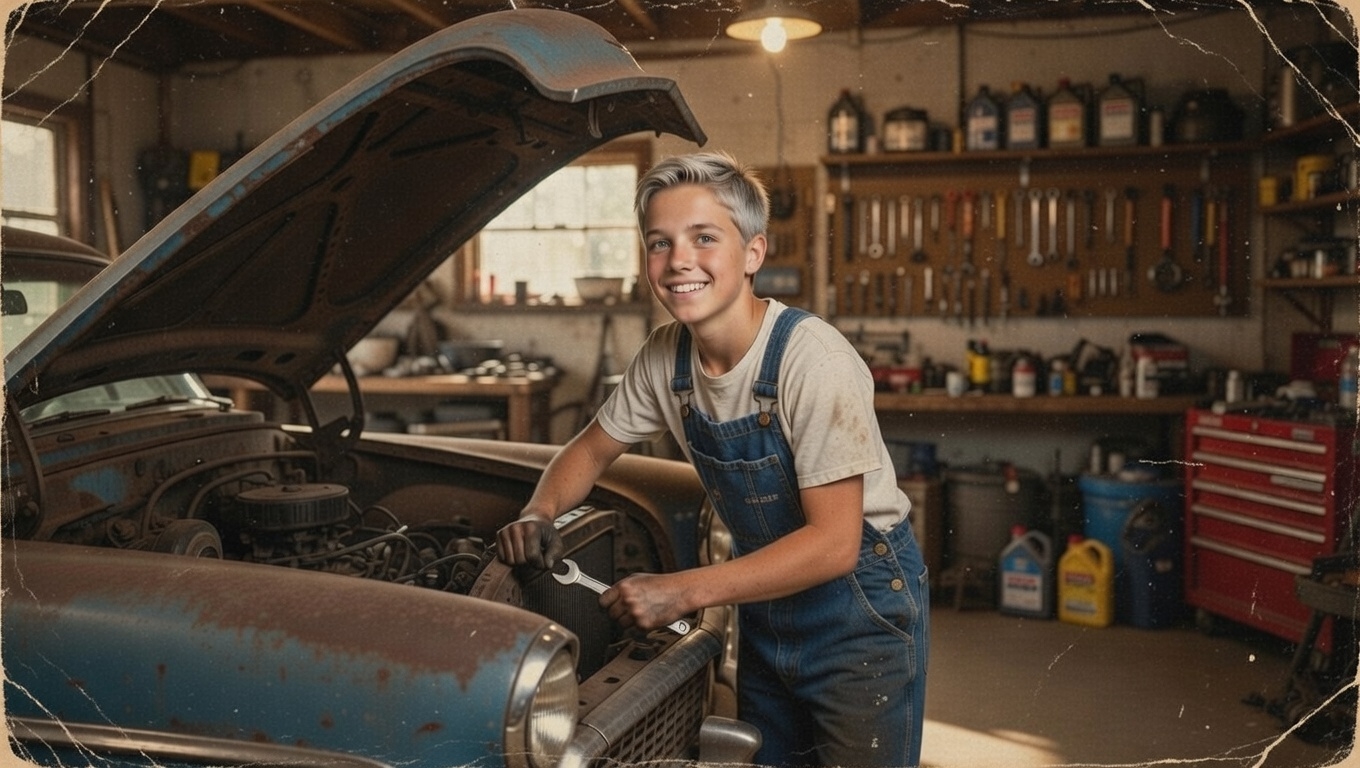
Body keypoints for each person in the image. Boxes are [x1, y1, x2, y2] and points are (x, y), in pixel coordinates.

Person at [496, 151, 928, 768]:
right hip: (767, 602)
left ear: (754, 254)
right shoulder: (664, 359)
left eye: (704, 238)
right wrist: (540, 510)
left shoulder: (812, 361)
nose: (678, 262)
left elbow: (835, 544)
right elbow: (591, 448)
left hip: (858, 609)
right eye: (659, 243)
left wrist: (682, 592)